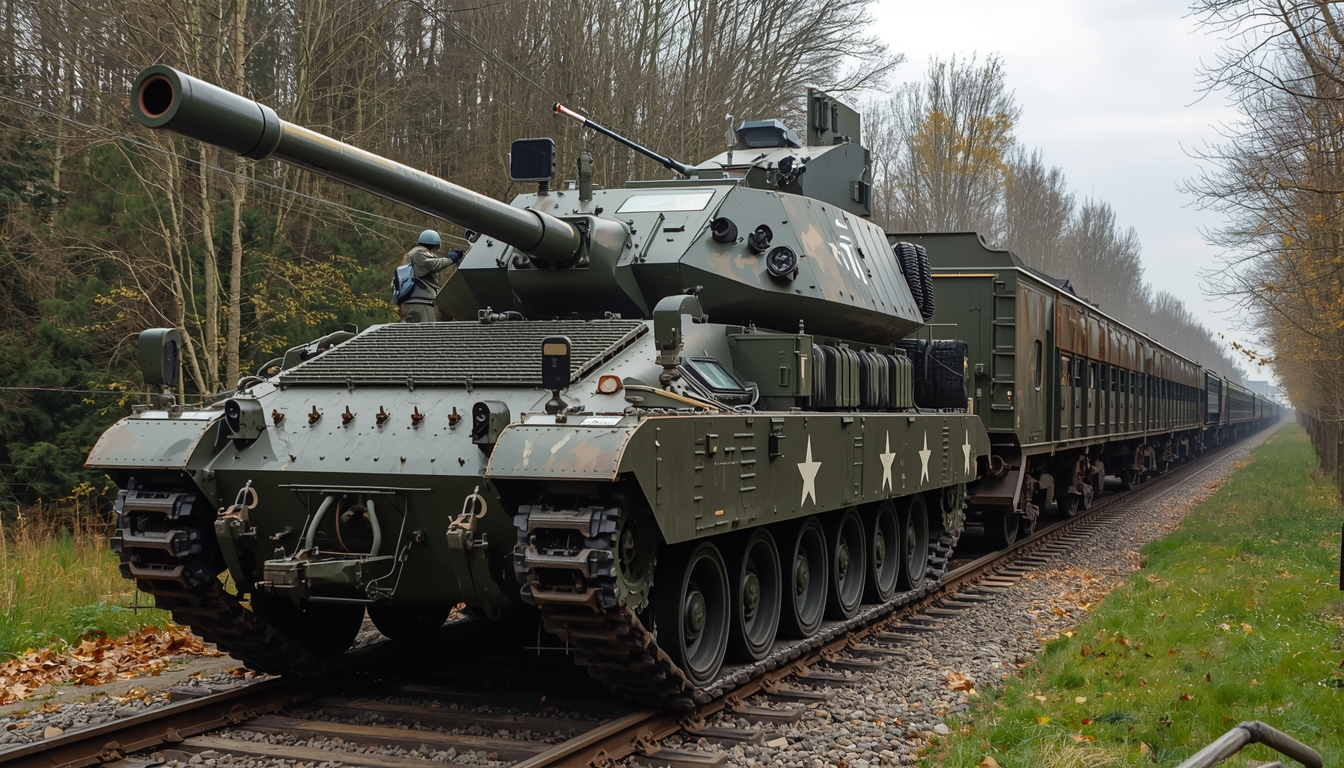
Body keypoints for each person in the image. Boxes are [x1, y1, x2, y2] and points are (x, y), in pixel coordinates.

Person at [395, 230, 465, 323]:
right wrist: (451, 259)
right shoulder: (418, 252)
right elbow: (434, 265)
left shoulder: (413, 254)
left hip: (417, 301)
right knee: (425, 333)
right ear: (434, 246)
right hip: (419, 302)